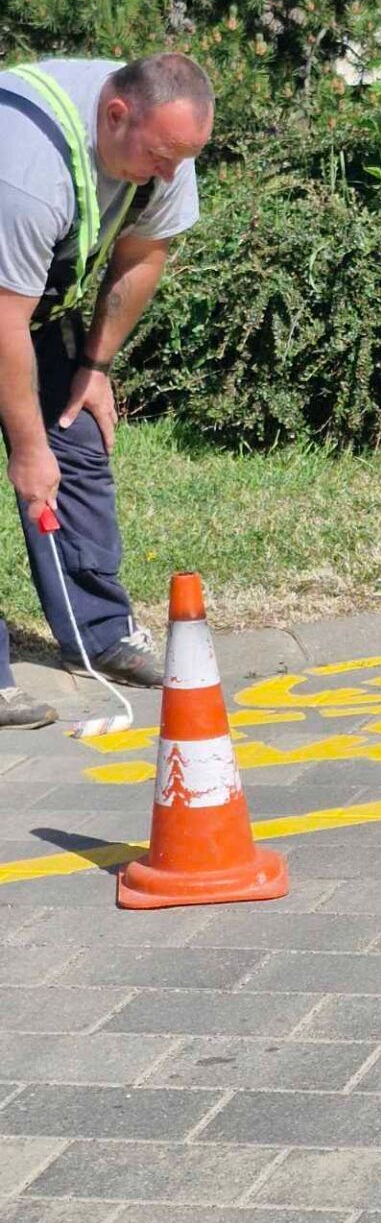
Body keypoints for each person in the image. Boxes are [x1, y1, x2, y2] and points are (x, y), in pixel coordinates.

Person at [0, 53, 213, 728]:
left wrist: (94, 366)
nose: (173, 174)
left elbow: (144, 251)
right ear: (116, 116)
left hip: (25, 305)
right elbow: (2, 321)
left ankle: (100, 634)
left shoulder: (163, 144)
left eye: (183, 157)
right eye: (161, 156)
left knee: (79, 441)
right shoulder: (26, 169)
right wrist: (28, 450)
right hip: (3, 306)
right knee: (42, 456)